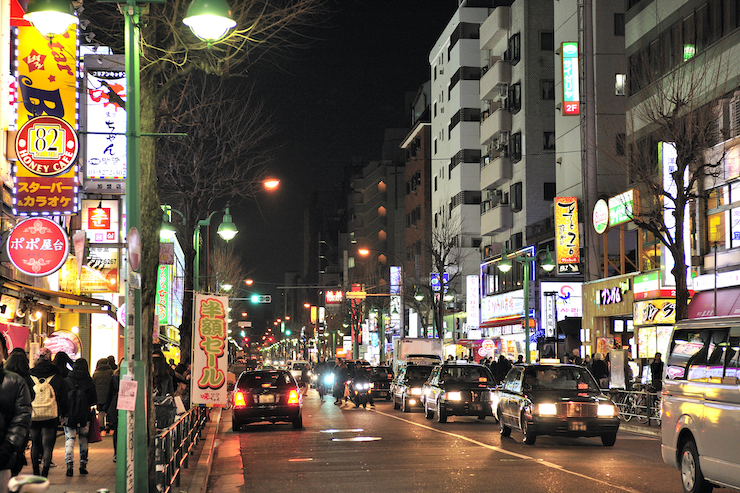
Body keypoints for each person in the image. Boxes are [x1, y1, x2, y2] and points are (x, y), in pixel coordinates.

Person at [29, 347, 68, 477]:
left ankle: (35, 471)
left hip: (34, 414)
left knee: (35, 443)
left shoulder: (30, 375)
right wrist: (64, 414)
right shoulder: (56, 376)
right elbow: (63, 397)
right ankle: (45, 471)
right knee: (48, 444)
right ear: (50, 359)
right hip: (51, 414)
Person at [0, 335, 32, 490]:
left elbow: (21, 418)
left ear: (4, 353)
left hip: (2, 459)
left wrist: (8, 448)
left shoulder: (15, 382)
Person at [63, 358, 97, 477]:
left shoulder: (67, 380)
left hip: (70, 415)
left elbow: (63, 399)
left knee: (69, 439)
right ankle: (83, 464)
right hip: (84, 415)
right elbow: (94, 399)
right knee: (83, 439)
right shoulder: (89, 381)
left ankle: (69, 464)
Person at [103, 360, 121, 462]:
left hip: (121, 404)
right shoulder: (114, 377)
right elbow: (109, 392)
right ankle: (116, 452)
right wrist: (107, 406)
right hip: (116, 405)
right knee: (117, 430)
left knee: (118, 430)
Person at [91, 358, 112, 432]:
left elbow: (93, 384)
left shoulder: (96, 373)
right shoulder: (110, 372)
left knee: (101, 412)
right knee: (108, 411)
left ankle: (101, 426)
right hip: (108, 396)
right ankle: (109, 425)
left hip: (99, 396)